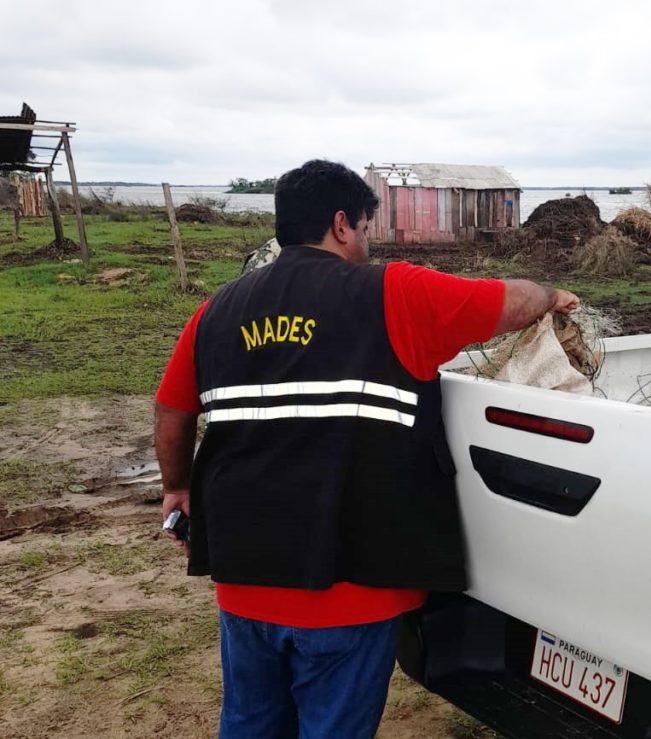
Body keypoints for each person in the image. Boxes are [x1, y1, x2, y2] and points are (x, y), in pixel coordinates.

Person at [154, 159, 578, 739]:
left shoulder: (216, 312)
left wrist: (177, 488)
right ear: (341, 225)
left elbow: (172, 410)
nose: (369, 240)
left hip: (244, 578)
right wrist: (552, 294)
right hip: (352, 587)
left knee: (251, 723)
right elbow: (509, 301)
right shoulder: (394, 293)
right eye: (366, 226)